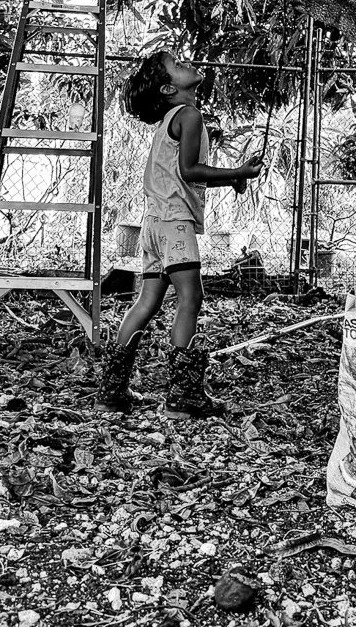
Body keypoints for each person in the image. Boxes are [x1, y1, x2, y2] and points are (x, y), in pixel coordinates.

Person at [100, 51, 262, 419]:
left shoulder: (168, 122)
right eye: (177, 64)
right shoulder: (189, 115)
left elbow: (182, 174)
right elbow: (190, 171)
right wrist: (238, 171)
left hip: (153, 225)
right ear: (168, 88)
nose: (187, 63)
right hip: (174, 224)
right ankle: (183, 396)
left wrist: (231, 178)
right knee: (191, 297)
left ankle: (111, 391)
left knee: (146, 302)